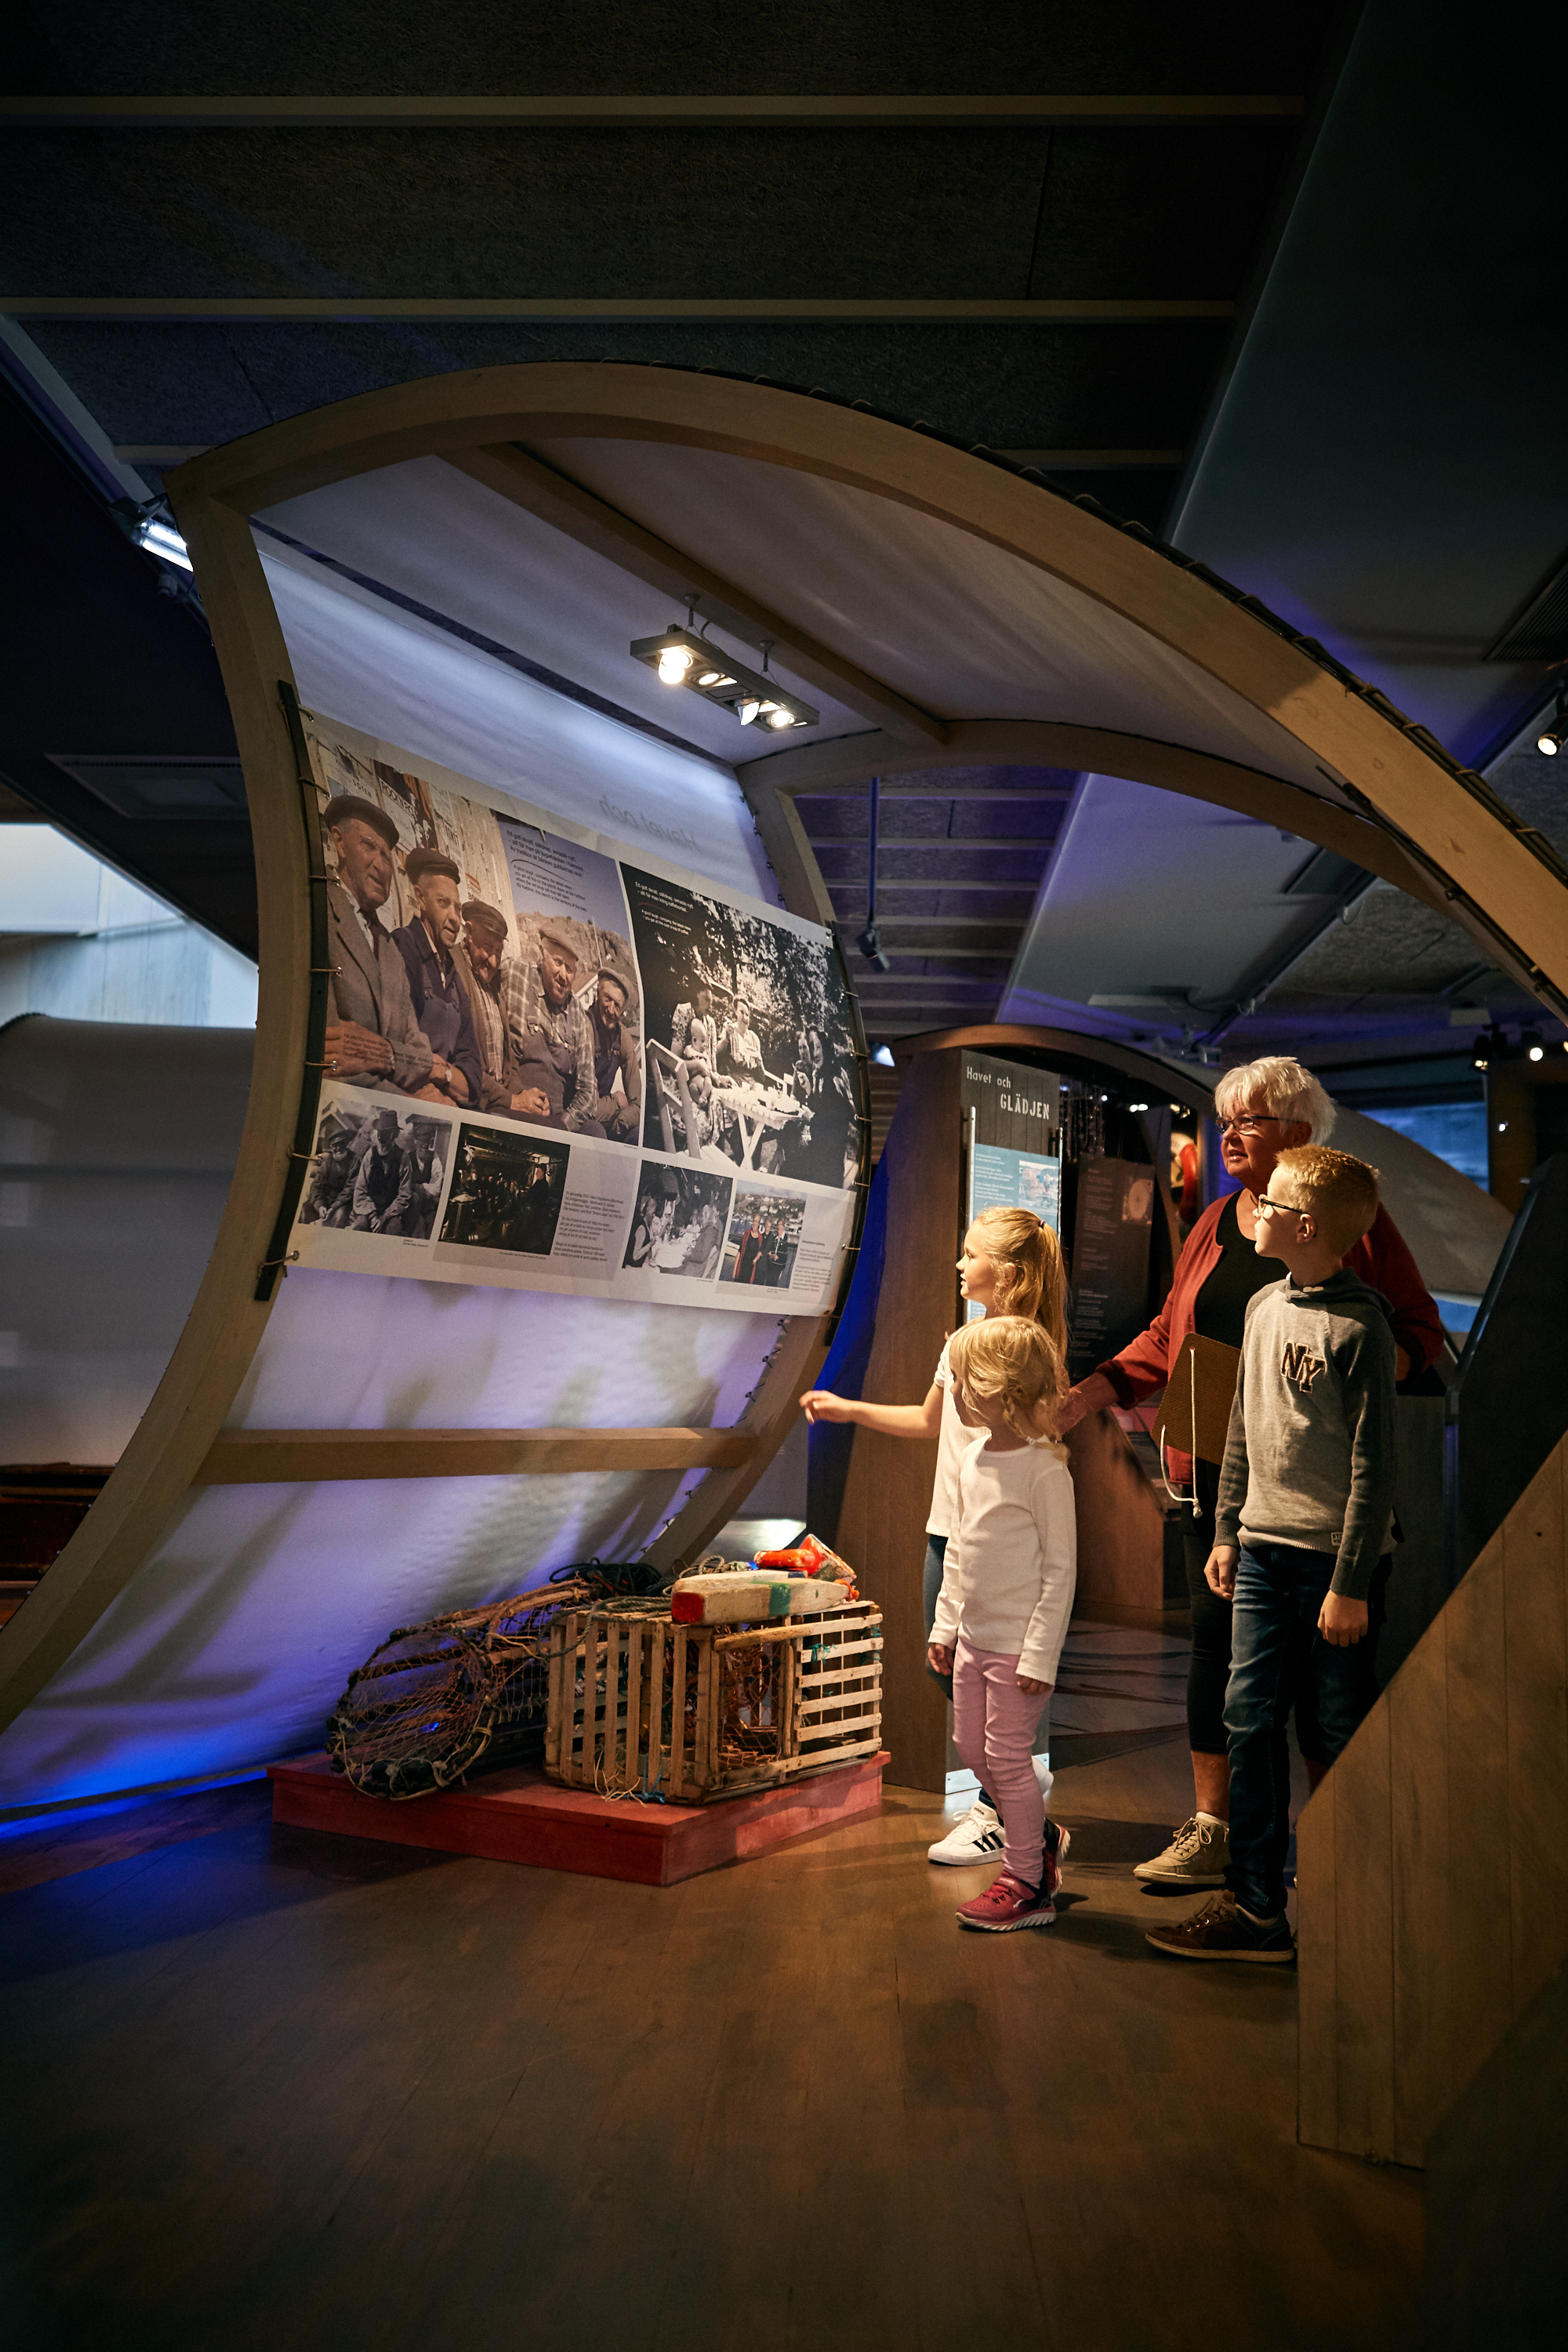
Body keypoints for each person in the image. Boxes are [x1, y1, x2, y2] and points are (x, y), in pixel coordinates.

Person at [1056, 1054, 1442, 1892]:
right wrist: (1089, 1392)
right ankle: (1216, 1832)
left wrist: (1336, 1382)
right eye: (1222, 1121)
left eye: (1249, 1121)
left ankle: (1339, 1848)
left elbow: (1415, 1336)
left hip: (1314, 1489)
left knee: (1322, 1679)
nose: (1227, 1135)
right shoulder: (1218, 1218)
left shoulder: (1350, 1221)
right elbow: (1168, 1331)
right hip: (1213, 1474)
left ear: (1297, 1135)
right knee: (1218, 1658)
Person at [1146, 1146, 1397, 1964]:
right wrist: (1225, 1531)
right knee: (1248, 1721)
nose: (1253, 1210)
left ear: (1307, 1226)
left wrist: (1349, 1582)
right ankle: (1257, 1909)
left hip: (1331, 1569)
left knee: (1334, 1729)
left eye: (1273, 1201)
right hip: (1256, 1554)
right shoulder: (1259, 1306)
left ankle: (1352, 1897)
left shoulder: (1359, 1325)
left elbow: (1373, 1466)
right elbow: (1239, 1432)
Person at [800, 1203, 1073, 1871]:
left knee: (989, 1682)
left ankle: (1004, 1813)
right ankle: (1016, 1805)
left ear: (1004, 1273)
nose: (958, 1263)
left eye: (970, 1253)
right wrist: (846, 1409)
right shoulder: (961, 1343)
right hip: (946, 1530)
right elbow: (930, 1421)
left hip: (994, 1544)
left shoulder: (1022, 1351)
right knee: (948, 1668)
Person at [928, 1316, 1077, 1932]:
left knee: (1008, 1760)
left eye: (965, 1381)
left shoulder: (1046, 1471)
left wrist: (1039, 1656)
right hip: (973, 1642)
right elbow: (960, 1550)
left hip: (1018, 1652)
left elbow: (1061, 1572)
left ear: (1003, 1390)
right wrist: (945, 1626)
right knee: (972, 1749)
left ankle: (1027, 1883)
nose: (957, 1392)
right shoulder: (971, 1457)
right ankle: (1034, 1835)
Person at [320, 793, 440, 1098]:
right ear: (339, 842)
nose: (381, 865)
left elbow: (422, 1055)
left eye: (387, 855)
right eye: (368, 846)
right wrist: (412, 1104)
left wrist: (382, 1053)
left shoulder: (389, 946)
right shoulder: (317, 910)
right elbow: (329, 1062)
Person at [391, 849, 481, 1110]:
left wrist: (444, 1073)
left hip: (447, 1102)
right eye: (444, 903)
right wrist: (447, 1088)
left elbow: (473, 1071)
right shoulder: (403, 948)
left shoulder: (454, 974)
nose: (455, 918)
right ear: (421, 899)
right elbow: (398, 1051)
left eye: (458, 908)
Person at [499, 923, 606, 1136]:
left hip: (557, 1119)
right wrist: (516, 1097)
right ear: (542, 955)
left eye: (570, 969)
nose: (563, 975)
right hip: (516, 1101)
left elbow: (587, 1093)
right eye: (558, 962)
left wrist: (562, 1126)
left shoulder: (580, 1019)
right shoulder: (514, 974)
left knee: (596, 1132)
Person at [588, 967, 642, 1144]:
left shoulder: (623, 1037)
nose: (611, 1010)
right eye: (607, 999)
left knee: (636, 1134)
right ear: (598, 995)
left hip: (606, 1117)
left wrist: (619, 1123)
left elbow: (638, 1104)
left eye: (617, 1005)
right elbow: (587, 1106)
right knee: (596, 1133)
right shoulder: (585, 1027)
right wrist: (618, 1102)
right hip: (580, 1115)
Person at [347, 1108, 411, 1232]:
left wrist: (385, 1217)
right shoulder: (370, 1155)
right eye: (379, 1132)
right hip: (368, 1210)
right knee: (359, 1228)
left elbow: (405, 1195)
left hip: (391, 1212)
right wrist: (373, 1216)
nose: (380, 1137)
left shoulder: (403, 1158)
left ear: (394, 1134)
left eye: (385, 1133)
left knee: (394, 1231)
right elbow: (360, 1190)